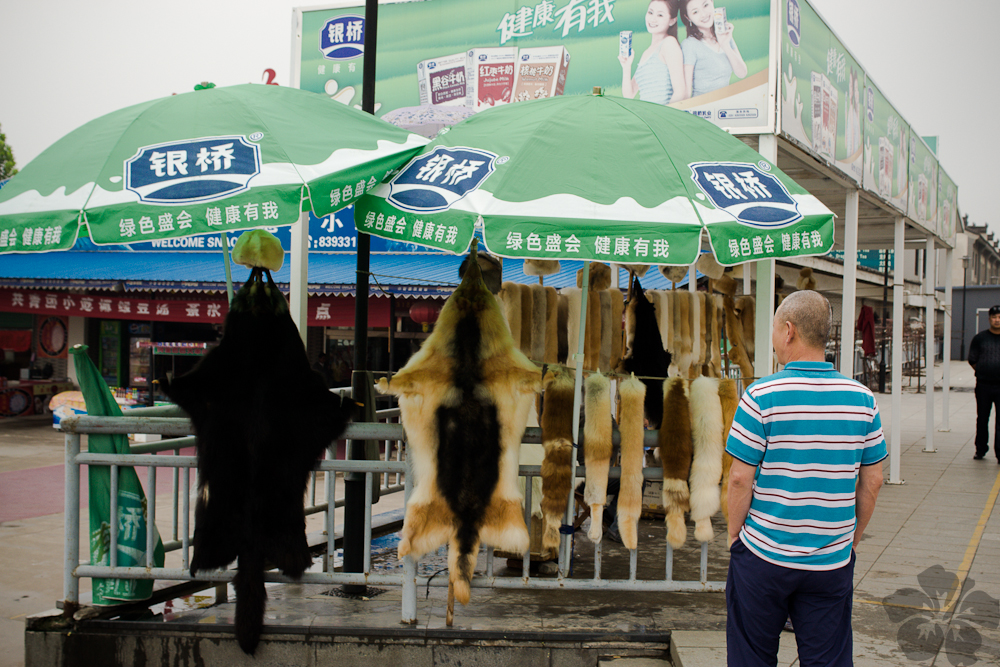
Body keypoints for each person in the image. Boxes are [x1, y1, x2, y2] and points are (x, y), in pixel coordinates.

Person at [725, 290, 886, 667]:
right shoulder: (863, 399)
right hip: (831, 561)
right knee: (827, 660)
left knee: (751, 656)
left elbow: (739, 479)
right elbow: (873, 480)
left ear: (788, 330)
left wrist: (735, 536)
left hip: (764, 555)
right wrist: (852, 539)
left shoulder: (760, 395)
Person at [620, 0, 686, 105]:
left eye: (660, 15)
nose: (653, 19)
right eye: (650, 12)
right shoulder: (646, 53)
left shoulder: (669, 43)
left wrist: (663, 114)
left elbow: (680, 92)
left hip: (661, 114)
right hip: (645, 114)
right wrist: (626, 66)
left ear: (672, 20)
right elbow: (629, 95)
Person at [680, 0, 748, 99]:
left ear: (712, 2)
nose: (703, 14)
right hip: (702, 106)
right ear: (688, 17)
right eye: (695, 12)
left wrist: (725, 45)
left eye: (705, 5)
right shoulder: (689, 45)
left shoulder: (724, 35)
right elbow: (686, 92)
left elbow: (742, 73)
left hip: (724, 105)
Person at [968, 305, 1000, 462]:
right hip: (983, 385)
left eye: (999, 317)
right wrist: (983, 370)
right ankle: (980, 449)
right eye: (994, 317)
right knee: (982, 418)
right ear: (989, 319)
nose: (997, 320)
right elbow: (972, 359)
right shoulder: (980, 338)